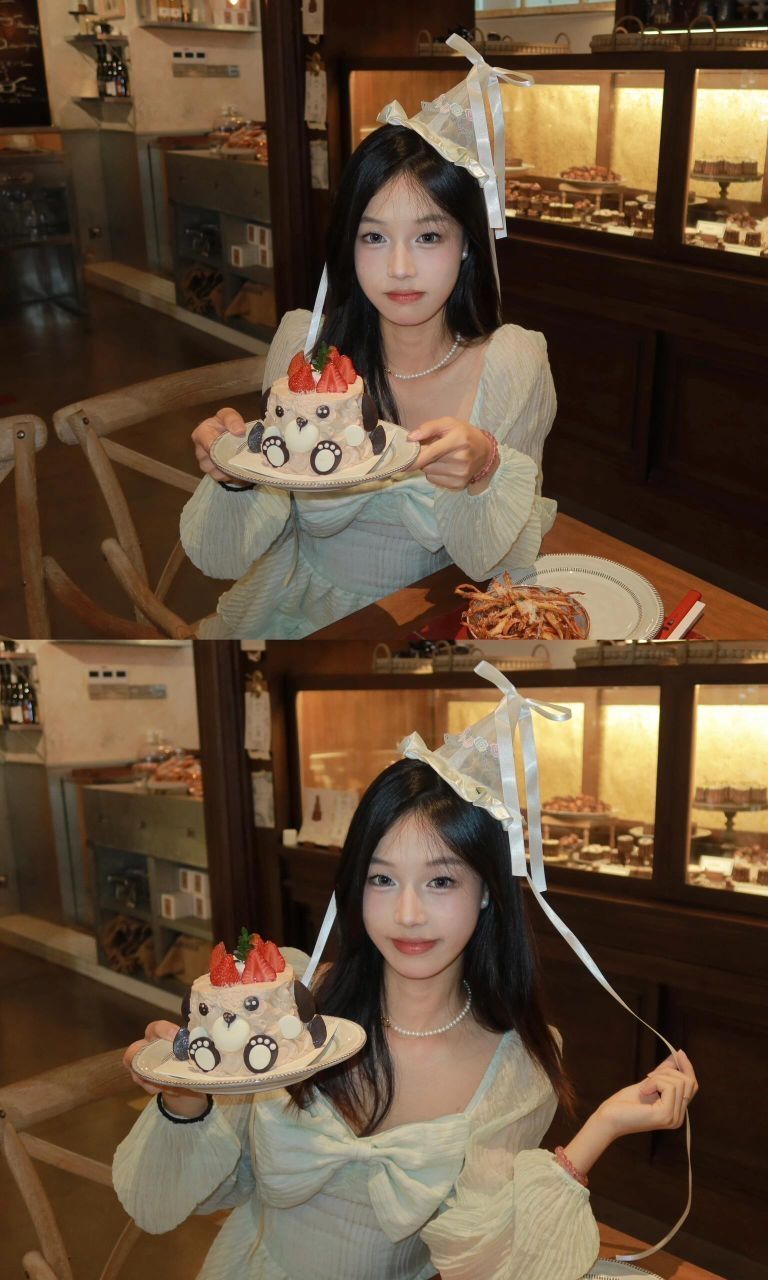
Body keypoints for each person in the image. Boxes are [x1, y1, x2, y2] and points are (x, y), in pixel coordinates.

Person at [115, 759, 698, 1280]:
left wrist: (603, 1127)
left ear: (487, 892)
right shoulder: (287, 1008)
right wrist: (185, 1103)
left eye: (441, 880)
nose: (408, 913)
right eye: (382, 878)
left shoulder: (517, 1067)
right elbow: (191, 1198)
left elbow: (483, 1262)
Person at [181, 122, 558, 638]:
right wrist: (236, 476)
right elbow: (227, 556)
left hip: (439, 616)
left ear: (467, 245)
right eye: (374, 237)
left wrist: (485, 469)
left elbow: (506, 564)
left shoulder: (512, 364)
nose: (400, 268)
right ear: (349, 245)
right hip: (306, 616)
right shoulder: (304, 349)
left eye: (428, 236)